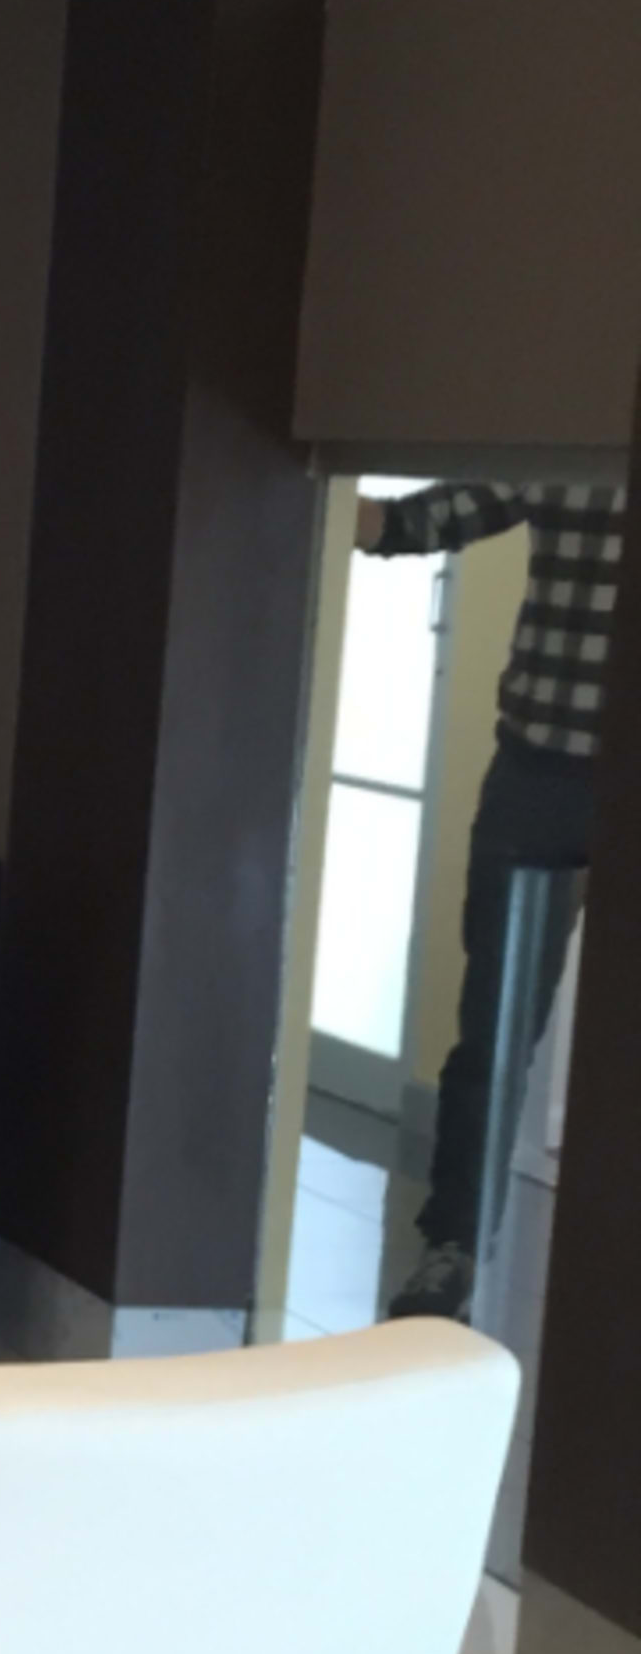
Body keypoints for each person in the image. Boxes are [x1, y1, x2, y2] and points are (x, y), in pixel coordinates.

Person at [351, 469, 620, 1317]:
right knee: (494, 1034)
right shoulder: (569, 431)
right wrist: (321, 499)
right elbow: (428, 516)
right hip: (537, 773)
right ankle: (453, 1252)